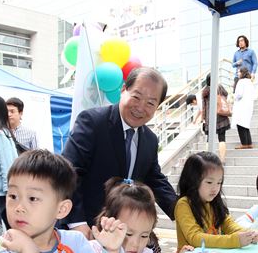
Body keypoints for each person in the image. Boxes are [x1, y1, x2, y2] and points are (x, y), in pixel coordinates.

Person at [62, 67, 177, 240]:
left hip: (123, 234)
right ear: (123, 90)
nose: (140, 107)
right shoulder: (93, 122)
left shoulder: (150, 140)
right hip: (85, 230)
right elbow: (69, 172)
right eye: (136, 97)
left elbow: (155, 178)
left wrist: (182, 210)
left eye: (150, 103)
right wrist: (77, 223)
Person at [92, 178, 196, 253]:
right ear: (109, 223)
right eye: (128, 234)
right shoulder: (94, 251)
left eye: (144, 236)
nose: (136, 244)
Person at [174, 151, 258, 252]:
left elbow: (228, 224)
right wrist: (234, 240)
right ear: (193, 180)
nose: (215, 188)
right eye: (209, 182)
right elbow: (195, 238)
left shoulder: (213, 202)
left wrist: (248, 234)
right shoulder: (184, 204)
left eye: (219, 182)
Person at [201, 73, 231, 163]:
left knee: (208, 139)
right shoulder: (219, 87)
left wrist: (203, 119)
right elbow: (226, 95)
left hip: (209, 118)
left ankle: (208, 160)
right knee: (222, 139)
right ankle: (222, 160)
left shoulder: (205, 91)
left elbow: (203, 107)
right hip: (220, 116)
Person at [232, 67, 254, 149]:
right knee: (245, 124)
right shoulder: (249, 82)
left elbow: (239, 95)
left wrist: (234, 97)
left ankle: (244, 143)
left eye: (239, 72)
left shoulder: (241, 82)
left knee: (240, 124)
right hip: (248, 105)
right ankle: (249, 143)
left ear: (242, 73)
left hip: (241, 106)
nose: (238, 73)